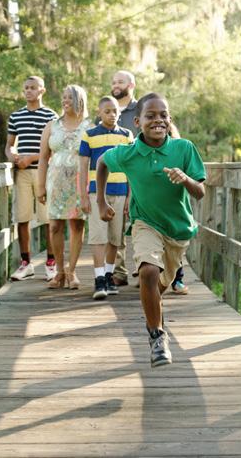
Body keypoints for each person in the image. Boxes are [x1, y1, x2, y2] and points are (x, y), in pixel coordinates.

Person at [96, 93, 206, 367]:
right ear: (137, 122)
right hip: (145, 223)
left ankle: (154, 316)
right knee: (147, 272)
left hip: (178, 231)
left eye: (163, 115)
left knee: (157, 287)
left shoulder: (184, 148)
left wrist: (185, 179)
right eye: (151, 116)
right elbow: (102, 163)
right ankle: (157, 336)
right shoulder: (129, 153)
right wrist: (100, 201)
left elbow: (200, 192)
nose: (158, 120)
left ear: (170, 120)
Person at [79, 96, 133, 300]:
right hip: (97, 193)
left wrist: (130, 196)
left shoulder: (127, 136)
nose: (112, 115)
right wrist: (84, 196)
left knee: (115, 237)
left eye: (115, 111)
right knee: (98, 236)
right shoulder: (89, 135)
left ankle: (109, 276)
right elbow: (83, 167)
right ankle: (99, 278)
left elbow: (131, 168)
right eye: (107, 111)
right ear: (99, 112)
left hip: (120, 191)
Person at [37, 85, 91, 289]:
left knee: (77, 225)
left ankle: (72, 271)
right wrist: (40, 186)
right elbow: (43, 158)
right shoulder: (52, 125)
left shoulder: (89, 126)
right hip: (56, 182)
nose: (65, 100)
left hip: (79, 181)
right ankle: (59, 272)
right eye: (64, 97)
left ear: (80, 100)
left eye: (70, 97)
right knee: (54, 226)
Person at [6, 76, 58, 281]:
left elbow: (53, 148)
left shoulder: (51, 116)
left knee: (48, 219)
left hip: (44, 172)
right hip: (22, 174)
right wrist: (13, 156)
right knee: (22, 217)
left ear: (42, 90)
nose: (28, 91)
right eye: (26, 88)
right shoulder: (16, 116)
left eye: (33, 88)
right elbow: (9, 145)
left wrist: (31, 158)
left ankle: (51, 263)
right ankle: (25, 263)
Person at [109, 70, 139, 286]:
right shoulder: (106, 109)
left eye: (120, 82)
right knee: (116, 227)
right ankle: (119, 272)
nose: (115, 85)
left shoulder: (142, 109)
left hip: (139, 176)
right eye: (113, 82)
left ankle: (142, 269)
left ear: (131, 85)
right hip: (115, 178)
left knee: (140, 224)